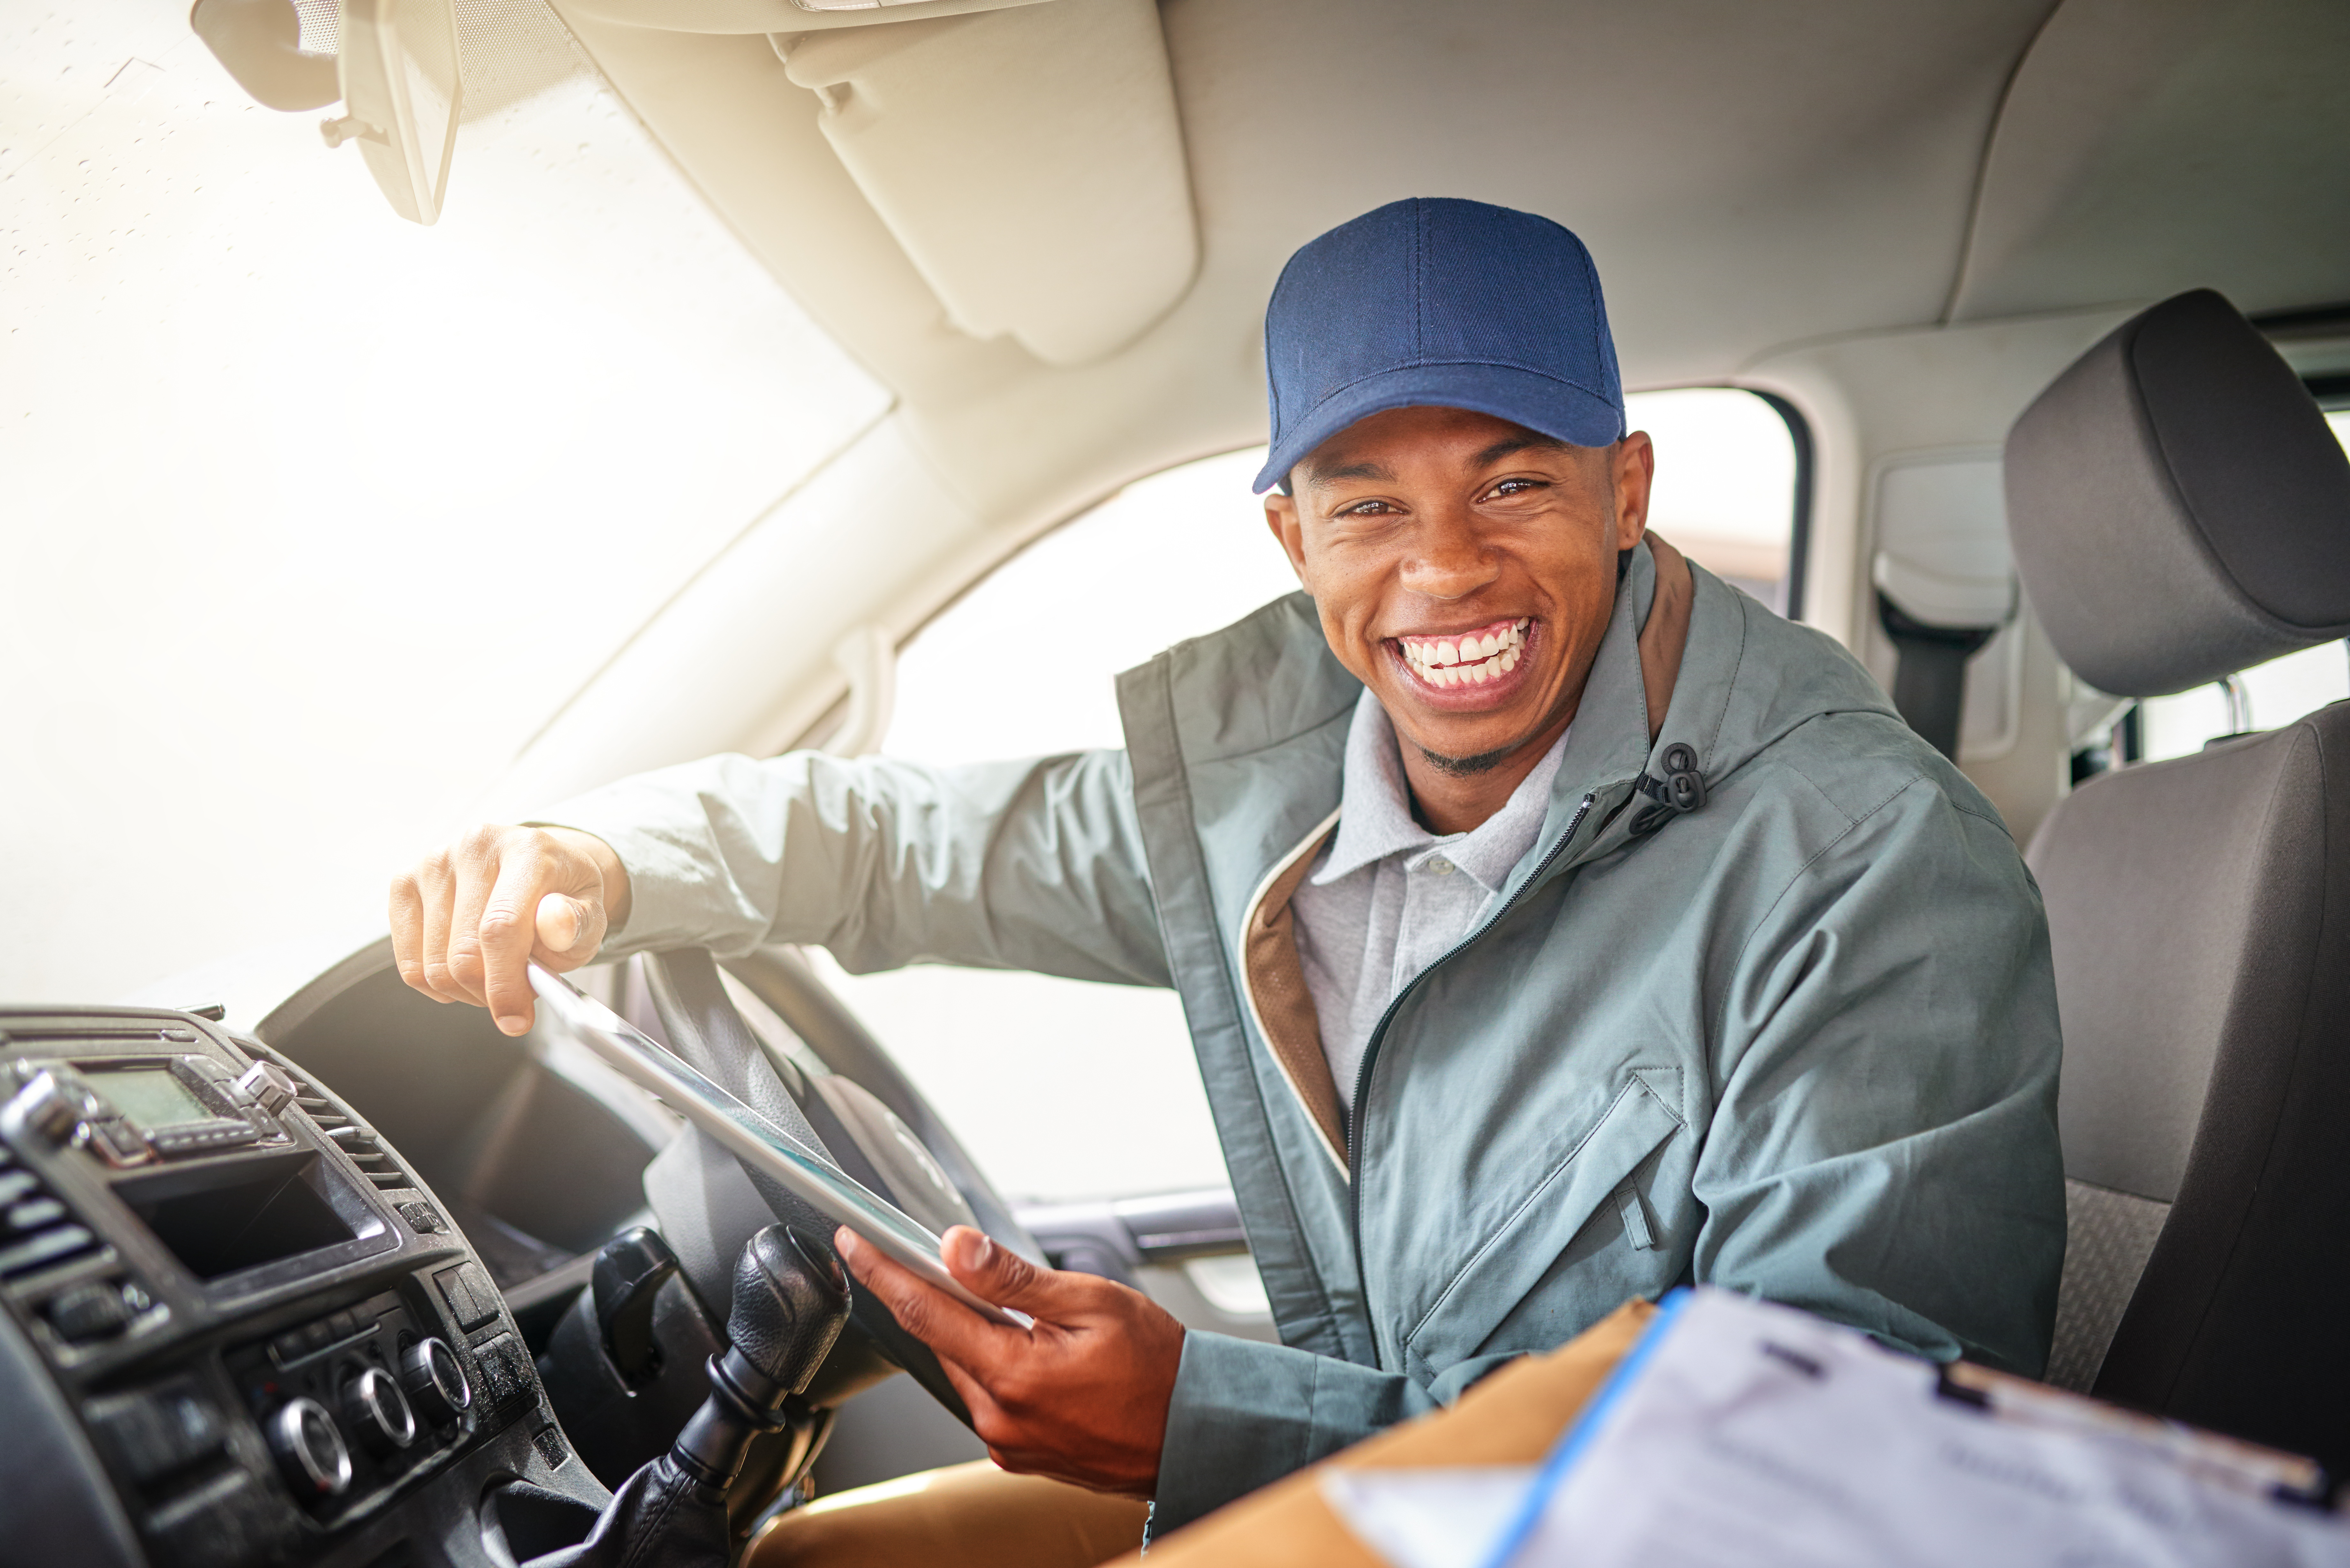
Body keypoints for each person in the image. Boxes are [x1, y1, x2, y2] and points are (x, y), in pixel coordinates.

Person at [391, 198, 2064, 1554]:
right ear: (1290, 537)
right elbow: (905, 841)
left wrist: (1210, 1420)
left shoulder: (1866, 862)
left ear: (1625, 491)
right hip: (1410, 1496)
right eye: (1368, 505)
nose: (1444, 570)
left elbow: (1843, 1469)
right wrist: (603, 857)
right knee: (814, 1562)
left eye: (1515, 483)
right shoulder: (1271, 809)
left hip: (1617, 1536)